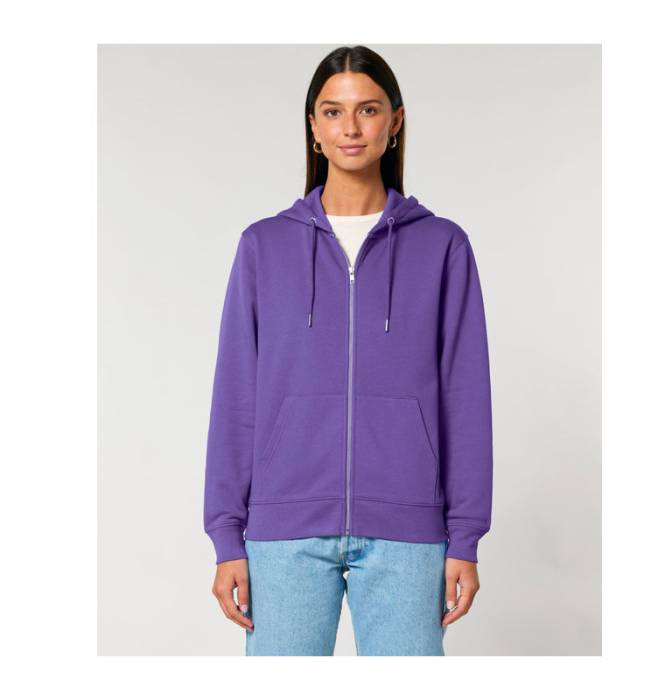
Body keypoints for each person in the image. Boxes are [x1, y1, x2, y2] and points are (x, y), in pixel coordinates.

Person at [203, 45, 493, 656]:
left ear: (396, 121)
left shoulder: (442, 247)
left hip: (409, 533)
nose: (351, 128)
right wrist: (228, 537)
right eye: (333, 112)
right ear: (313, 126)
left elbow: (465, 399)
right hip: (284, 532)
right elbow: (236, 398)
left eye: (368, 109)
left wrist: (465, 537)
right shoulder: (264, 246)